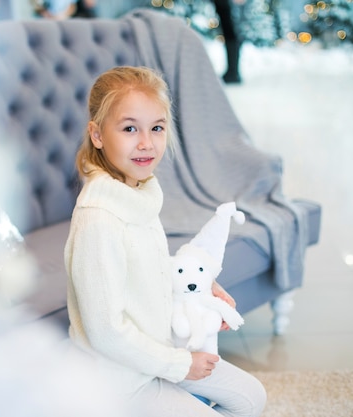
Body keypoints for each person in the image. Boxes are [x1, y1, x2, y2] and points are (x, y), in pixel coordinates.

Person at [64, 66, 266, 417]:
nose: (146, 143)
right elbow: (105, 332)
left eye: (156, 128)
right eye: (129, 129)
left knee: (252, 397)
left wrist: (198, 285)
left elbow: (145, 270)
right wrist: (179, 365)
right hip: (119, 382)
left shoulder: (137, 191)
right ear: (97, 134)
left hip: (155, 354)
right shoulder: (99, 219)